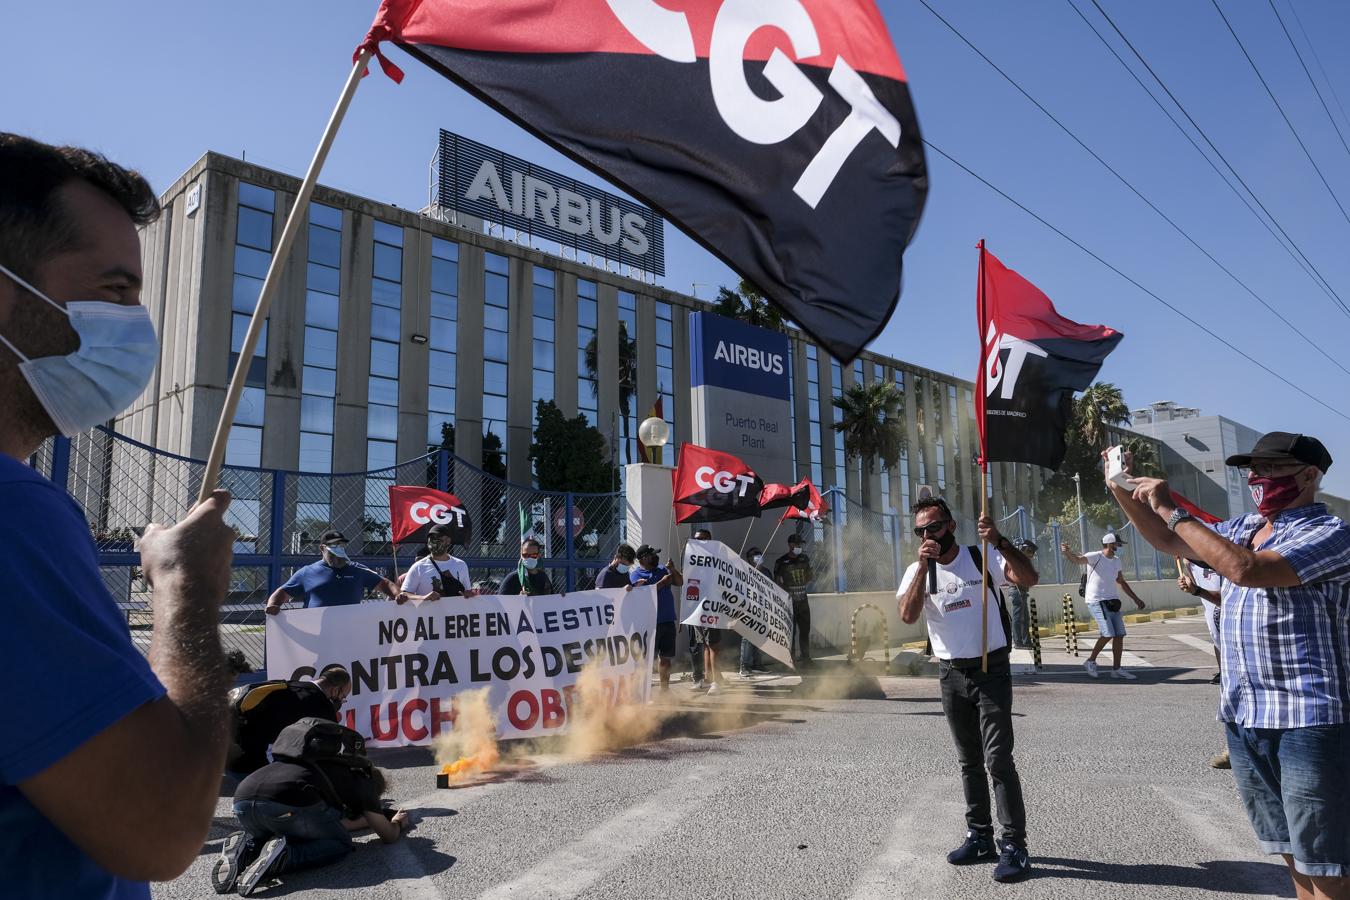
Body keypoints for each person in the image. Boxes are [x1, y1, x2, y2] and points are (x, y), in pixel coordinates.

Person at [0, 133, 238, 896]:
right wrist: (187, 593)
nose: (136, 326)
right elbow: (162, 828)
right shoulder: (13, 518)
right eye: (115, 291)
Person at [1108, 434, 1350, 898]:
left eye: (1273, 469)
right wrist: (1120, 486)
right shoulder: (1242, 528)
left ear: (1309, 475)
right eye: (1254, 469)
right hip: (1246, 716)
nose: (1260, 478)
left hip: (1309, 720)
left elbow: (1247, 571)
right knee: (1293, 855)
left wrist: (1173, 509)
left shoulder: (1330, 535)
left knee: (1329, 864)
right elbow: (1166, 540)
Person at [897, 497, 1038, 883]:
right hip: (950, 675)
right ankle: (980, 836)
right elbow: (908, 615)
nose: (928, 535)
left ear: (951, 525)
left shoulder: (982, 556)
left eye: (935, 527)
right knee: (968, 760)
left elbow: (1029, 579)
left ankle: (1015, 846)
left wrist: (1002, 542)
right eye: (921, 531)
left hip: (990, 669)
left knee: (998, 759)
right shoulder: (918, 571)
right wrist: (923, 568)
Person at [223, 755, 409, 895]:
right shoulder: (363, 783)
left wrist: (365, 819)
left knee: (283, 828)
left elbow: (334, 823)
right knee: (341, 843)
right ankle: (287, 857)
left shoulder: (319, 767)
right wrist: (397, 823)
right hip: (285, 804)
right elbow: (388, 836)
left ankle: (247, 849)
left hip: (243, 803)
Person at [227, 667, 352, 776]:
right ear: (335, 690)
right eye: (343, 697)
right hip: (256, 764)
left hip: (230, 753)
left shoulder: (289, 686)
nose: (341, 701)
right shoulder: (323, 707)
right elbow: (328, 751)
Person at [1059, 534, 1146, 679]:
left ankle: (1116, 669)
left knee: (1119, 634)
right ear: (1109, 544)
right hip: (1096, 600)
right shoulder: (1095, 556)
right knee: (1108, 633)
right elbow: (1077, 560)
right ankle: (1090, 661)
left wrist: (1136, 599)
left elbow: (1121, 581)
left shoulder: (1117, 561)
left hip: (1112, 601)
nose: (1119, 546)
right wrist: (1067, 552)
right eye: (1117, 544)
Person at [265, 530, 397, 614]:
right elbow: (282, 593)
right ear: (322, 548)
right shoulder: (307, 572)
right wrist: (273, 606)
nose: (338, 552)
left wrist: (398, 594)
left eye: (341, 546)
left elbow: (384, 583)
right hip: (318, 634)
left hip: (350, 632)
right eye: (334, 547)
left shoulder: (357, 569)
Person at [1177, 561, 1229, 769]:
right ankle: (1234, 747)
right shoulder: (1191, 564)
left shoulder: (1222, 553)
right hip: (1223, 645)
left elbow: (1226, 599)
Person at [630, 543, 684, 692]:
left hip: (667, 621)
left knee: (665, 659)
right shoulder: (635, 575)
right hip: (649, 624)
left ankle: (664, 690)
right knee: (646, 661)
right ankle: (642, 693)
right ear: (643, 558)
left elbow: (680, 582)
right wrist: (661, 583)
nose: (656, 557)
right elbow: (641, 594)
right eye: (652, 555)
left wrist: (672, 569)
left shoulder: (662, 569)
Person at [397, 523, 476, 602]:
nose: (434, 542)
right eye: (431, 538)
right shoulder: (418, 567)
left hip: (454, 613)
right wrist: (424, 598)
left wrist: (469, 594)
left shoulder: (461, 565)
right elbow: (404, 594)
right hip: (427, 613)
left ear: (448, 541)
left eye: (438, 538)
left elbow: (467, 591)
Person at [686, 527, 724, 692]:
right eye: (696, 539)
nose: (699, 542)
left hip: (712, 607)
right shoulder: (691, 559)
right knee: (705, 646)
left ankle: (716, 682)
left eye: (702, 539)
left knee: (713, 645)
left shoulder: (717, 557)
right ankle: (708, 678)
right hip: (696, 610)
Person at [775, 533, 814, 667]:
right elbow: (776, 581)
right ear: (790, 545)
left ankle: (806, 658)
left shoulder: (804, 558)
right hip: (789, 604)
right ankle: (790, 660)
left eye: (800, 544)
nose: (799, 546)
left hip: (803, 601)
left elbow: (809, 576)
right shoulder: (781, 561)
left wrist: (803, 582)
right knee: (790, 633)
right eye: (797, 544)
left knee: (805, 631)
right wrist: (786, 593)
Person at [738, 547, 772, 678]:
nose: (759, 558)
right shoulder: (744, 572)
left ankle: (757, 665)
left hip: (763, 610)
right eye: (756, 556)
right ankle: (744, 666)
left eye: (760, 555)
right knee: (747, 637)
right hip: (749, 609)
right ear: (749, 560)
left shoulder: (767, 572)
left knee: (760, 636)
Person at [1005, 541, 1038, 650]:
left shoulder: (1021, 560)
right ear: (1022, 549)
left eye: (1032, 552)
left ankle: (1026, 641)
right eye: (1028, 551)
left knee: (1025, 618)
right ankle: (1018, 642)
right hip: (1016, 590)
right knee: (1018, 618)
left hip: (1021, 591)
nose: (1030, 555)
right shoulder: (1016, 560)